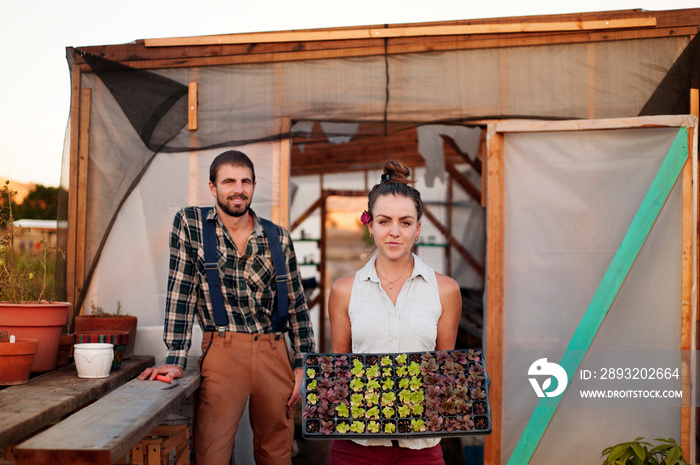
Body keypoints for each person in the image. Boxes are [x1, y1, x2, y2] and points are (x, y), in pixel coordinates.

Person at [139, 150, 315, 465]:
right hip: (223, 348)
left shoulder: (278, 238)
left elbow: (296, 305)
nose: (239, 188)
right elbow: (181, 291)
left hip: (274, 353)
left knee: (276, 454)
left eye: (246, 181)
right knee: (211, 454)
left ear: (254, 185)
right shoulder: (191, 225)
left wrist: (303, 363)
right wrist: (176, 357)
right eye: (229, 181)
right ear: (212, 187)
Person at [327, 161, 462, 465]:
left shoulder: (445, 290)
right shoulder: (344, 291)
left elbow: (442, 372)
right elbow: (341, 373)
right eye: (384, 221)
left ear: (418, 228)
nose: (394, 232)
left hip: (421, 447)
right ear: (370, 224)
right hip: (356, 445)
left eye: (405, 222)